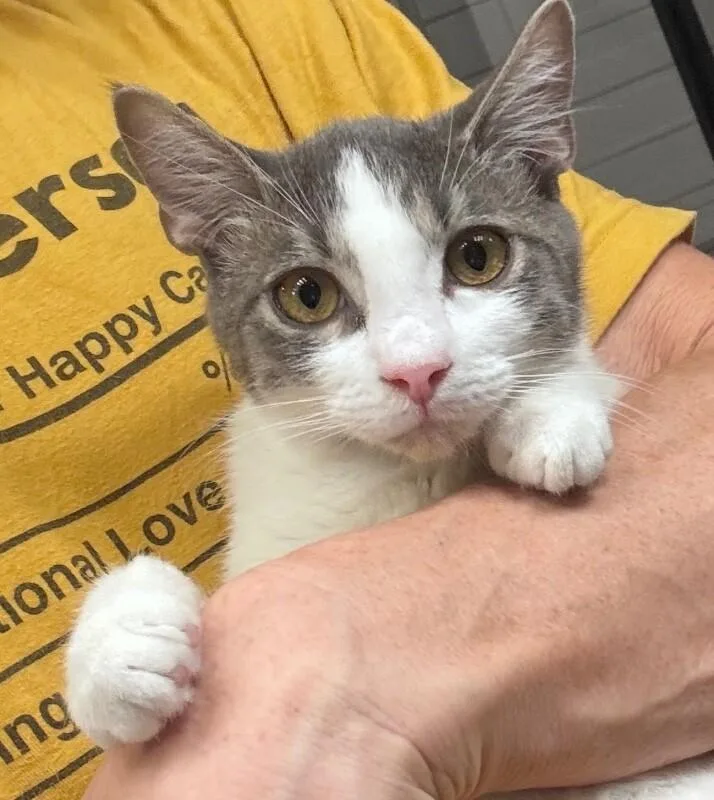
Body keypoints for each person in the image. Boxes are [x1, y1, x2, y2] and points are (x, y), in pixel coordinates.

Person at [0, 0, 712, 798]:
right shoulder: (276, 471)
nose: (415, 363)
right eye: (309, 296)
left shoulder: (250, 18)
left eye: (475, 259)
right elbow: (228, 668)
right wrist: (125, 628)